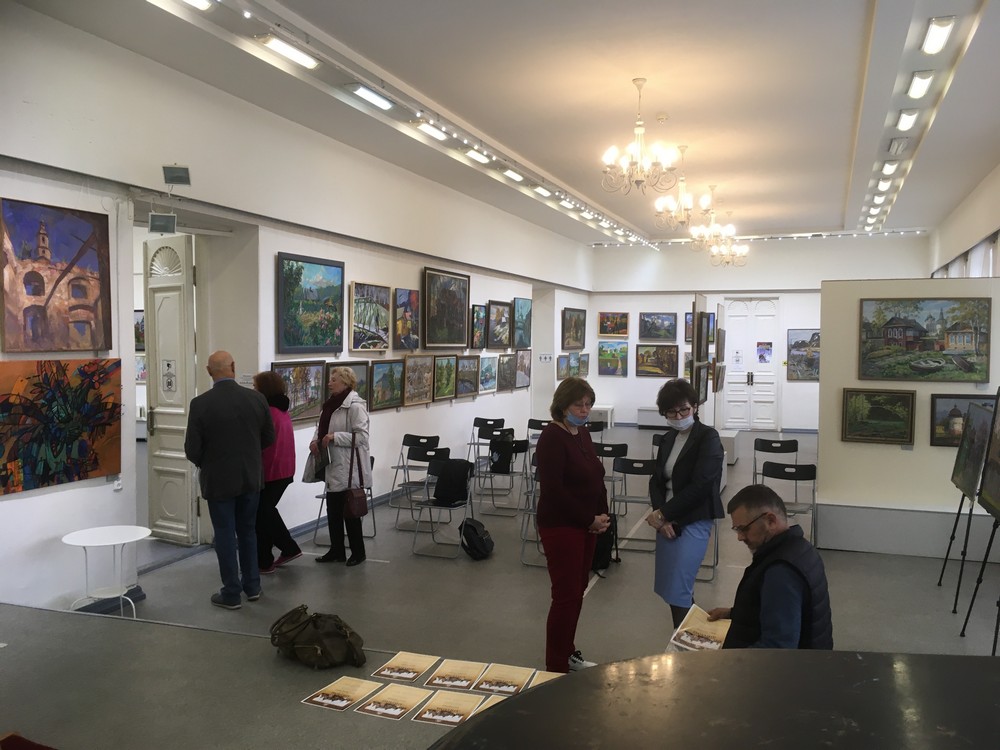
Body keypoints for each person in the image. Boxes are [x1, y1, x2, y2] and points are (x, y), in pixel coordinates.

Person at [184, 351, 274, 609]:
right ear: (233, 366)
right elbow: (268, 438)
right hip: (250, 477)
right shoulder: (256, 399)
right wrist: (248, 456)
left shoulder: (200, 404)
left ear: (208, 371)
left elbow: (192, 449)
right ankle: (253, 586)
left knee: (224, 535)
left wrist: (209, 462)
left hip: (219, 480)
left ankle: (232, 593)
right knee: (248, 531)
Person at [535, 377, 610, 673]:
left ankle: (567, 651)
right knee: (565, 596)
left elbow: (596, 476)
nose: (584, 410)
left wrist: (602, 516)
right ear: (563, 405)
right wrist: (588, 519)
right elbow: (554, 491)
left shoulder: (582, 433)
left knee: (577, 590)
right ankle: (556, 665)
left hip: (586, 525)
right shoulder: (552, 437)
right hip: (561, 526)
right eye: (579, 405)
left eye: (588, 404)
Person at [707, 484, 833, 649]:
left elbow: (778, 649)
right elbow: (779, 611)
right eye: (736, 530)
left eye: (744, 529)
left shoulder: (781, 573)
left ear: (770, 521)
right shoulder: (801, 549)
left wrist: (724, 660)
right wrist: (733, 613)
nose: (740, 537)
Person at [645, 378, 724, 629]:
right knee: (672, 590)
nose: (678, 416)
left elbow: (702, 485)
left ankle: (688, 642)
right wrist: (660, 516)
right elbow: (657, 480)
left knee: (679, 588)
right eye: (671, 412)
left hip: (693, 519)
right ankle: (686, 639)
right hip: (666, 522)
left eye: (684, 410)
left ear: (695, 407)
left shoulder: (708, 437)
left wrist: (664, 514)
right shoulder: (668, 438)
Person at [312, 366, 371, 566]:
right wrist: (314, 441)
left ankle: (358, 552)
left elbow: (361, 437)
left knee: (350, 511)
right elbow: (320, 429)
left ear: (345, 382)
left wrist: (335, 437)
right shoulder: (329, 405)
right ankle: (336, 550)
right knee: (333, 511)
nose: (329, 383)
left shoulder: (355, 406)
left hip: (348, 466)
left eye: (334, 379)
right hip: (331, 463)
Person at [253, 370, 301, 574]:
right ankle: (267, 559)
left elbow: (261, 443)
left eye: (256, 387)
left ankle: (280, 552)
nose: (253, 390)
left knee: (262, 513)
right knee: (264, 513)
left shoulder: (268, 411)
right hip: (283, 470)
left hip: (272, 471)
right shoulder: (281, 409)